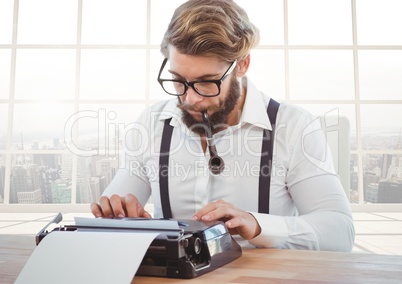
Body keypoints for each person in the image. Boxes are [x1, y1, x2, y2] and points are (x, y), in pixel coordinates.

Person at [91, 0, 355, 251]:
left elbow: (340, 232)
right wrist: (117, 215)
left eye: (207, 82)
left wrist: (259, 224)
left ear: (242, 65)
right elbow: (112, 215)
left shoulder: (295, 127)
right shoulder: (151, 124)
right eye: (178, 80)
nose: (190, 99)